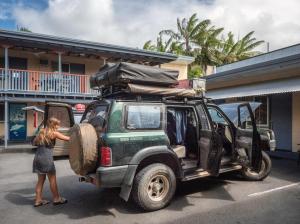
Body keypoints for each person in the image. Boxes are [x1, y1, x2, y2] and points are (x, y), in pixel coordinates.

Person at [32, 117, 70, 207]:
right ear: (54, 125)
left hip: (37, 158)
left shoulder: (42, 132)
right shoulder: (54, 133)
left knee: (40, 181)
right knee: (52, 180)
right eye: (58, 125)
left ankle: (38, 200)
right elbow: (68, 139)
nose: (59, 126)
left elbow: (34, 142)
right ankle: (56, 198)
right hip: (46, 160)